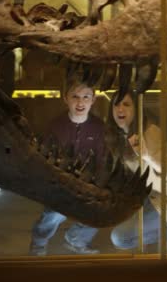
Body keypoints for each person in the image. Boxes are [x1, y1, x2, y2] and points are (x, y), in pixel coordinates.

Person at [105, 91, 167, 251]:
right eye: (116, 104)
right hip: (147, 197)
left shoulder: (150, 132)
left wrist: (148, 156)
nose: (120, 109)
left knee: (120, 238)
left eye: (126, 104)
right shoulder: (120, 137)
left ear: (136, 109)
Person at [29, 81, 105, 255]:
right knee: (55, 213)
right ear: (66, 98)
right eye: (75, 96)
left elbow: (101, 159)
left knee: (98, 208)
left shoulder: (99, 127)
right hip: (60, 183)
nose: (80, 102)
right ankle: (39, 242)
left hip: (87, 182)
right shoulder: (55, 126)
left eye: (86, 97)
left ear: (93, 100)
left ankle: (77, 240)